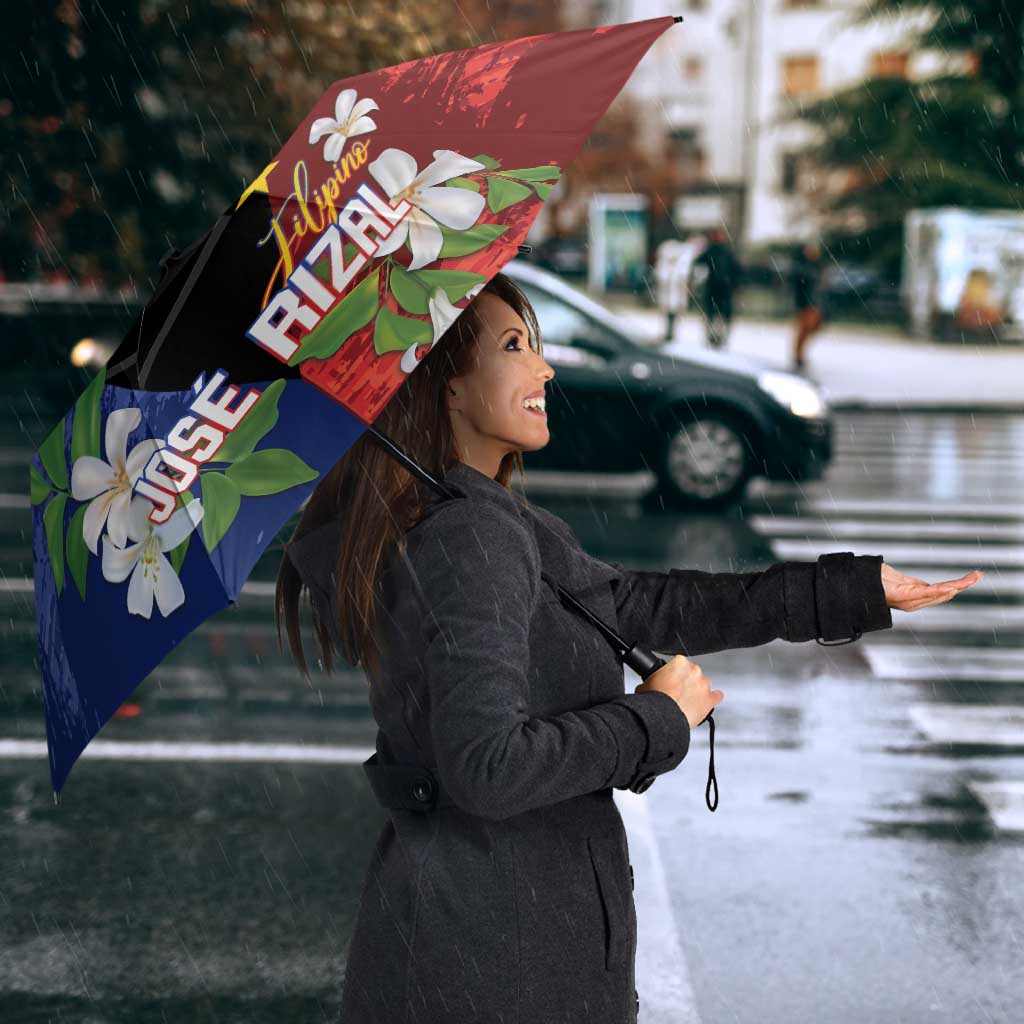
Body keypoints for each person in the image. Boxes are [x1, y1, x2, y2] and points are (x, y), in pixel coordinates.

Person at [275, 272, 981, 1024]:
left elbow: (643, 605)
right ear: (446, 386)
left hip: (487, 944)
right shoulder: (469, 536)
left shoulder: (481, 518)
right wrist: (654, 719)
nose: (544, 368)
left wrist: (850, 590)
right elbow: (487, 768)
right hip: (495, 964)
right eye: (515, 346)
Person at [692, 226, 742, 349]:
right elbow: (698, 264)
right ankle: (713, 337)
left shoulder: (725, 252)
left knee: (720, 315)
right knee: (713, 314)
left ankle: (719, 337)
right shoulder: (712, 251)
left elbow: (736, 270)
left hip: (723, 288)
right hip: (715, 288)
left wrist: (735, 284)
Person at [790, 239, 826, 370]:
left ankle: (799, 354)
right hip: (805, 303)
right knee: (804, 329)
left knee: (812, 328)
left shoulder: (817, 266)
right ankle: (798, 355)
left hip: (814, 303)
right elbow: (799, 286)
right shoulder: (802, 267)